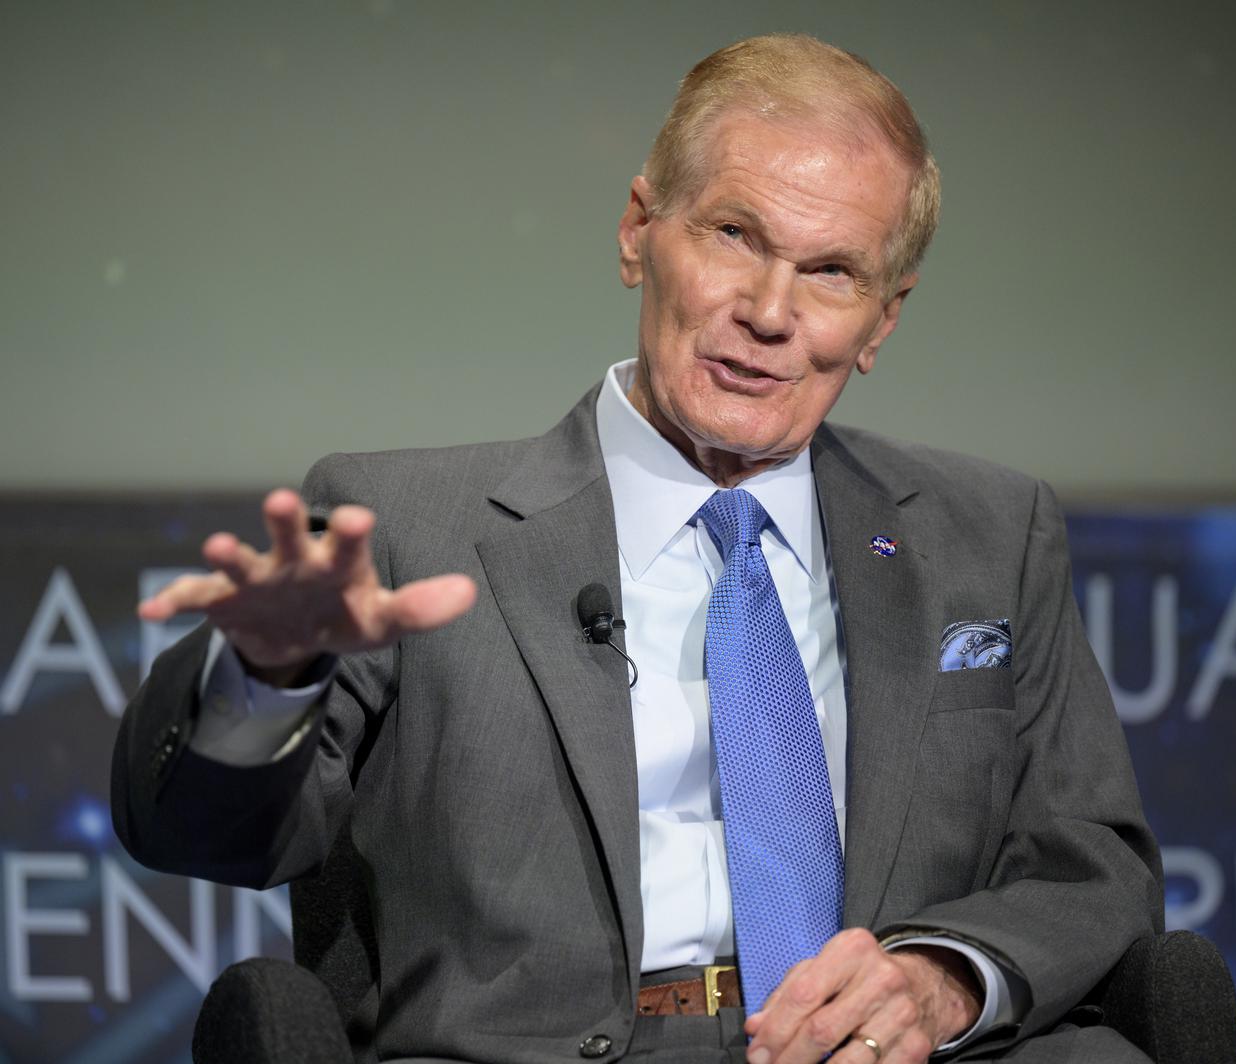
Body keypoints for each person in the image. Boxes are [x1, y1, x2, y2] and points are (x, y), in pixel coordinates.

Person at [112, 34, 1162, 1064]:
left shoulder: (986, 531)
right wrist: (263, 679)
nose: (766, 312)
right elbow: (206, 836)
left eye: (831, 271)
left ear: (881, 321)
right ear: (636, 231)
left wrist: (939, 980)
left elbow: (1092, 860)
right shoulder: (404, 525)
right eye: (734, 235)